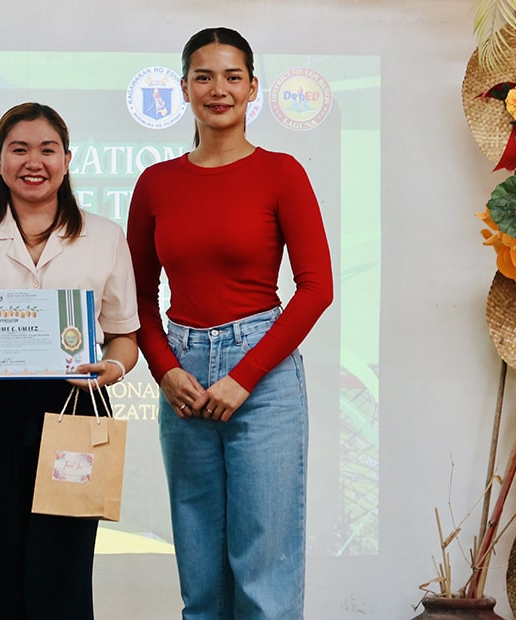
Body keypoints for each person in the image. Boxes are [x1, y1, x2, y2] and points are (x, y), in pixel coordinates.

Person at [126, 28, 334, 620]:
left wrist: (243, 376)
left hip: (262, 376)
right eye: (204, 76)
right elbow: (138, 294)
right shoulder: (156, 183)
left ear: (253, 89)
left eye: (232, 77)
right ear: (185, 88)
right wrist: (165, 370)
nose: (219, 89)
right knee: (199, 573)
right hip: (183, 375)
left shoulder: (281, 172)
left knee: (264, 571)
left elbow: (316, 288)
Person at [0, 102, 139, 620]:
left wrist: (112, 369)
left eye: (48, 150)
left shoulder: (106, 237)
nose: (34, 162)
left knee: (62, 573)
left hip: (76, 408)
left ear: (67, 159)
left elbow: (124, 339)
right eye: (19, 149)